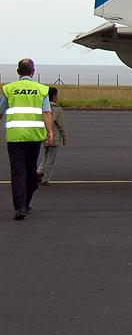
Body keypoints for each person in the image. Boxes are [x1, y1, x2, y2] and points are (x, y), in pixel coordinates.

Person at [2, 59, 52, 220]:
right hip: (34, 136)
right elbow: (46, 113)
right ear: (33, 72)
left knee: (18, 172)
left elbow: (1, 110)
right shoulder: (41, 89)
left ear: (18, 72)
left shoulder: (9, 89)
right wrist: (50, 132)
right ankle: (26, 202)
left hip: (15, 137)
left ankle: (20, 206)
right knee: (30, 170)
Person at [36, 86, 67, 184]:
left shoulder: (42, 108)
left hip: (44, 135)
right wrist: (64, 138)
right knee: (51, 158)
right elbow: (61, 125)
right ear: (54, 96)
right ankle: (46, 178)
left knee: (45, 155)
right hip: (54, 137)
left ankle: (39, 171)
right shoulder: (57, 109)